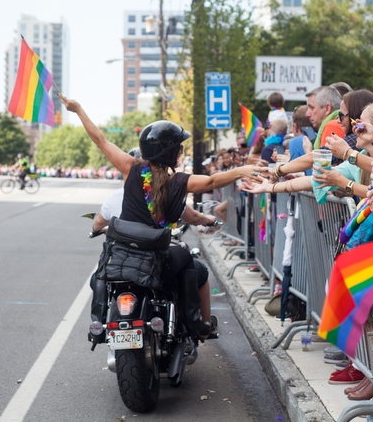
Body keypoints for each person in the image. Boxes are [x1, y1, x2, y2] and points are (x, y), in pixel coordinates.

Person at [61, 94, 263, 339]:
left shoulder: (131, 168)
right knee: (190, 263)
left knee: (101, 275)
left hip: (124, 252)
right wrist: (240, 171)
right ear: (171, 153)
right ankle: (197, 324)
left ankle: (100, 324)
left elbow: (99, 140)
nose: (181, 151)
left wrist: (79, 109)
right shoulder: (178, 181)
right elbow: (210, 181)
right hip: (156, 258)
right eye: (179, 148)